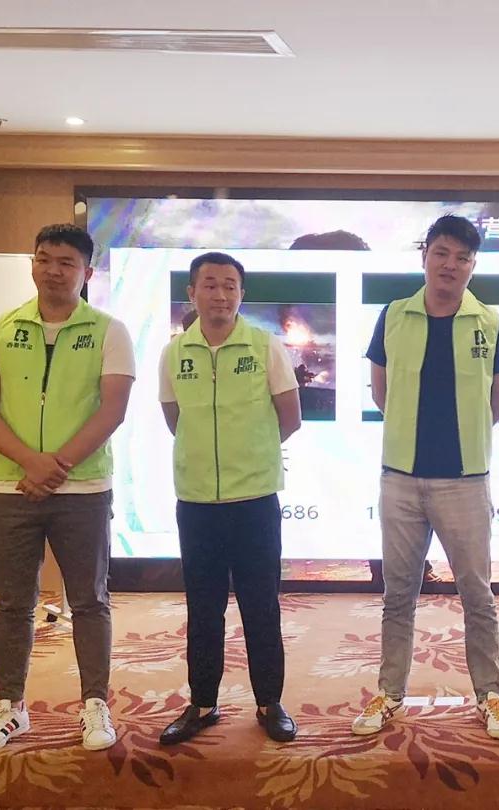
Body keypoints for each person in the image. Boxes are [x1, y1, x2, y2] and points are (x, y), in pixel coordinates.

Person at [0, 224, 134, 754]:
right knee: (13, 603)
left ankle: (95, 704)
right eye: (43, 259)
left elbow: (112, 409)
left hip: (83, 488)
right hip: (9, 486)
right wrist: (31, 463)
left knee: (89, 600)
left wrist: (55, 466)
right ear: (32, 264)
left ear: (87, 272)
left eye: (66, 262)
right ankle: (10, 707)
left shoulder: (109, 331)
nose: (53, 270)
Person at [352, 215, 499, 740]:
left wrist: (463, 438)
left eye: (462, 258)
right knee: (398, 593)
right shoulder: (393, 315)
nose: (451, 265)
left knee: (477, 594)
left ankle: (490, 695)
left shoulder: (489, 322)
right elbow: (382, 393)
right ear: (425, 255)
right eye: (442, 253)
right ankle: (389, 692)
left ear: (473, 265)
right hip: (401, 478)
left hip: (465, 480)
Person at [156, 252, 302, 745]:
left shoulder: (265, 346)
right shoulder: (174, 353)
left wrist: (248, 455)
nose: (220, 295)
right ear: (192, 293)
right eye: (210, 285)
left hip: (254, 500)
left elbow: (290, 416)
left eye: (230, 286)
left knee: (261, 605)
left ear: (241, 293)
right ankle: (202, 704)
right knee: (203, 607)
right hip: (196, 501)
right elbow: (175, 419)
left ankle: (269, 702)